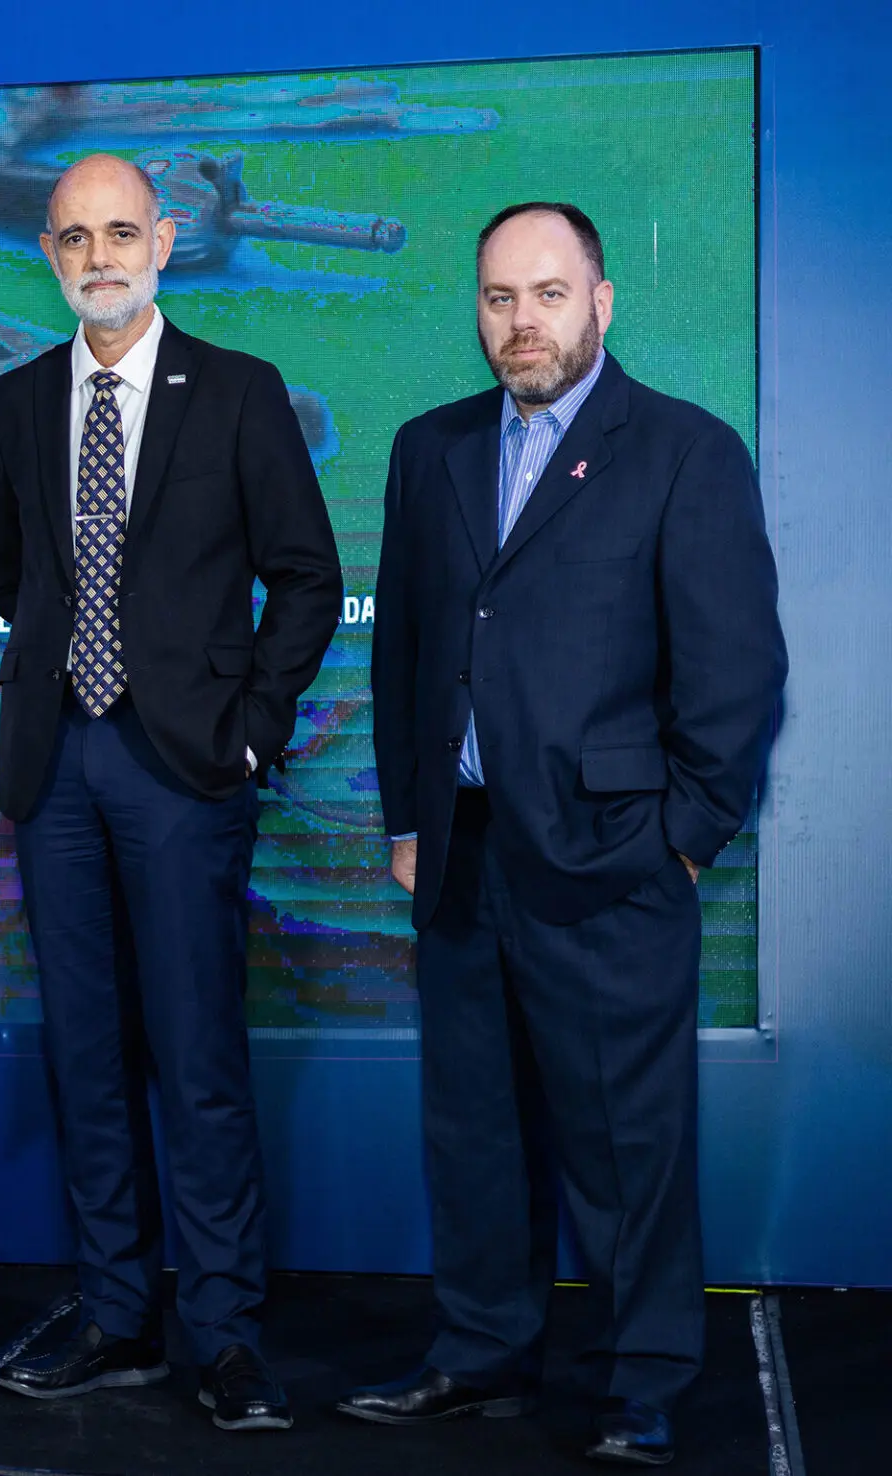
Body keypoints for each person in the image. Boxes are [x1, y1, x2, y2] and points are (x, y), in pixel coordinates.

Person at [347, 202, 787, 1467]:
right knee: (474, 1130)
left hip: (613, 861)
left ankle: (645, 1379)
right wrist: (405, 818)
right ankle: (480, 1354)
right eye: (498, 298)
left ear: (602, 303)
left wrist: (685, 839)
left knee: (625, 1141)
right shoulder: (428, 450)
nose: (520, 321)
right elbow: (409, 658)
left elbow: (737, 672)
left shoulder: (685, 452)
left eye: (547, 295)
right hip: (463, 854)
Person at [0, 155, 342, 1432]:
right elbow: (9, 573)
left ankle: (225, 1335)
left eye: (121, 232)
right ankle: (117, 1318)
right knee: (86, 1055)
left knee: (197, 1058)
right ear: (49, 253)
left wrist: (248, 731)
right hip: (58, 767)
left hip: (189, 769)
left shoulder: (237, 392)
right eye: (75, 238)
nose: (100, 256)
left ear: (167, 242)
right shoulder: (12, 401)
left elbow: (306, 574)